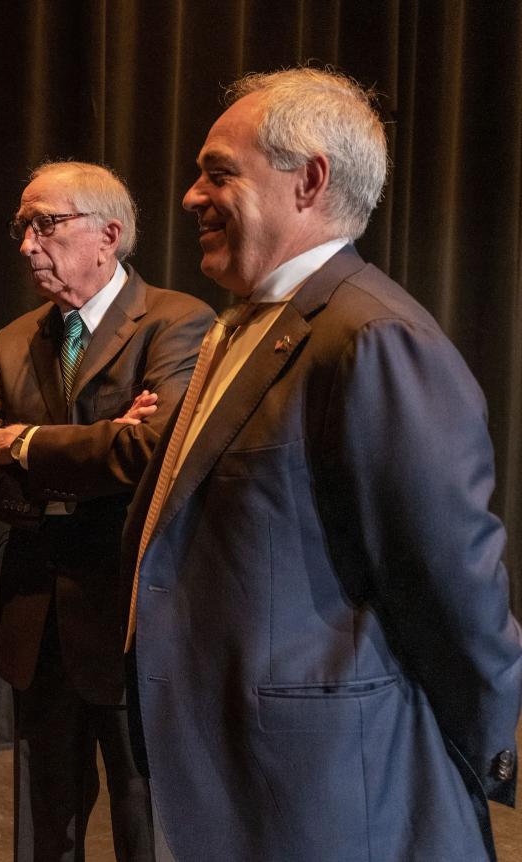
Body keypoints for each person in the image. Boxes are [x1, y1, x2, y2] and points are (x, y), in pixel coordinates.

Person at [124, 67, 522, 860]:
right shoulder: (242, 325)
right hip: (231, 770)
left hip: (324, 795)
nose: (190, 197)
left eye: (218, 172)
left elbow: (451, 587)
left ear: (308, 181)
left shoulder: (373, 339)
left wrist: (485, 752)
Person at [0, 161, 212, 861]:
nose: (27, 244)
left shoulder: (177, 322)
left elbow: (154, 454)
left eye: (46, 224)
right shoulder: (14, 340)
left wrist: (29, 446)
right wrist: (94, 456)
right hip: (36, 619)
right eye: (22, 227)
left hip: (133, 614)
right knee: (47, 827)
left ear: (109, 234)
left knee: (145, 817)